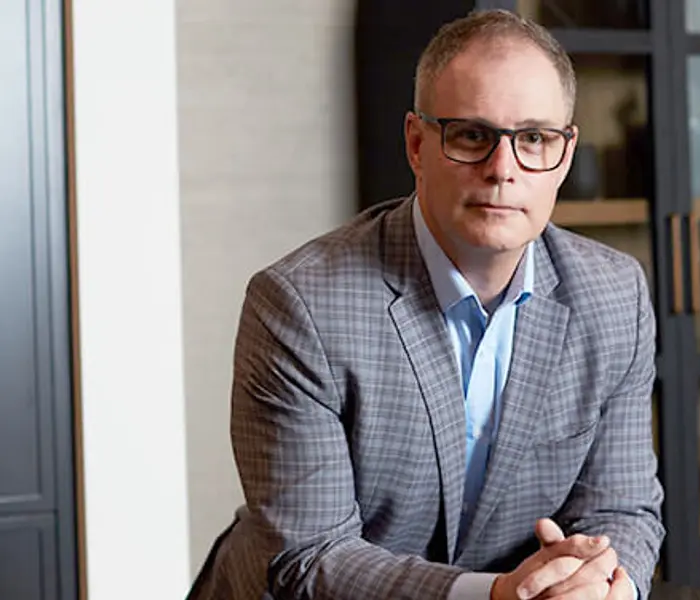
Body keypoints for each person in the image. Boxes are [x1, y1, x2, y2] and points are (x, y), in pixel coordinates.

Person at [188, 8, 664, 600]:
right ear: (417, 144)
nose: (502, 170)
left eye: (534, 139)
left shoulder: (615, 296)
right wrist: (493, 594)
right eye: (472, 136)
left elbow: (624, 508)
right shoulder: (299, 306)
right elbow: (309, 559)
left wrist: (607, 587)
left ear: (563, 157)